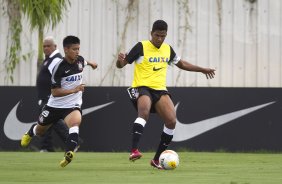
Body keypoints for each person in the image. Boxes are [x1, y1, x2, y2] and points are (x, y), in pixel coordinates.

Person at [116, 20, 215, 169]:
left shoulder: (168, 49)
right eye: (157, 35)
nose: (160, 39)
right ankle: (134, 150)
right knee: (144, 112)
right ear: (151, 33)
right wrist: (119, 61)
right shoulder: (141, 47)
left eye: (163, 36)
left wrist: (202, 69)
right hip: (142, 87)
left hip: (160, 89)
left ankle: (156, 160)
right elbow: (121, 65)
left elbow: (182, 64)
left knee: (171, 121)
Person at [21, 35, 98, 167]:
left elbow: (84, 61)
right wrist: (75, 90)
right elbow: (55, 92)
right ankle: (31, 132)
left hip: (72, 105)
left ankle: (69, 153)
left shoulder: (79, 60)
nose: (77, 52)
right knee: (40, 131)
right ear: (66, 50)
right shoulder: (59, 67)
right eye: (74, 49)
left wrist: (92, 64)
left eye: (78, 49)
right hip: (54, 106)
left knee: (75, 123)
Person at [36, 36, 69, 152]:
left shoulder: (55, 59)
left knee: (51, 121)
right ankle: (47, 147)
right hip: (46, 97)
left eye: (48, 46)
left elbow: (59, 77)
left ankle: (72, 142)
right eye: (44, 46)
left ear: (55, 46)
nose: (45, 48)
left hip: (50, 97)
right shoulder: (49, 59)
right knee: (47, 122)